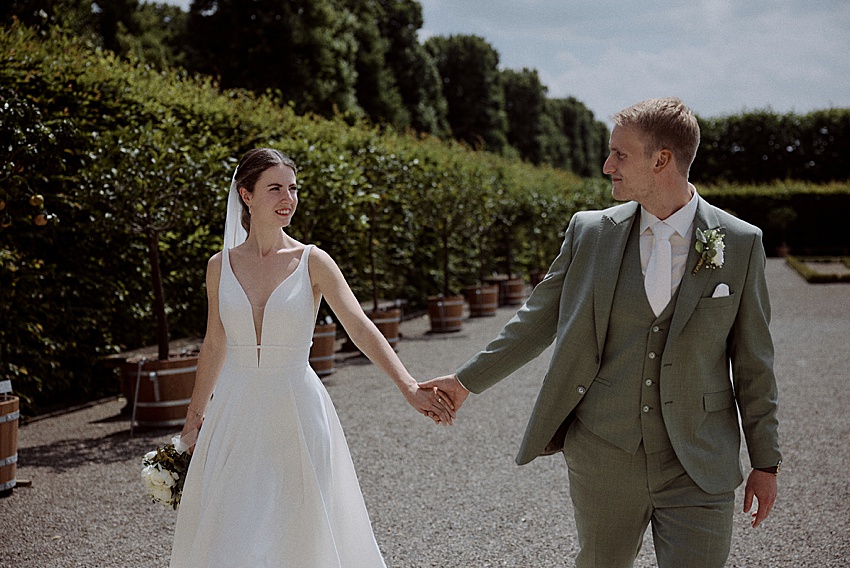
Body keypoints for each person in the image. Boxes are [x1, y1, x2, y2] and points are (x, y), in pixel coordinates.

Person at [421, 97, 781, 567]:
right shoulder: (590, 233)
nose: (607, 165)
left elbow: (754, 362)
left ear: (661, 160)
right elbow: (536, 320)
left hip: (699, 459)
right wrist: (465, 381)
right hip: (605, 454)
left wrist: (765, 461)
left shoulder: (739, 243)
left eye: (620, 154)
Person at [170, 148, 455, 568]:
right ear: (245, 196)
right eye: (275, 188)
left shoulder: (313, 261)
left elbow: (359, 326)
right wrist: (193, 420)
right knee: (232, 526)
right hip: (235, 410)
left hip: (297, 409)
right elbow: (215, 344)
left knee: (299, 527)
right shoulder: (220, 266)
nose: (288, 197)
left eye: (292, 187)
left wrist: (408, 386)